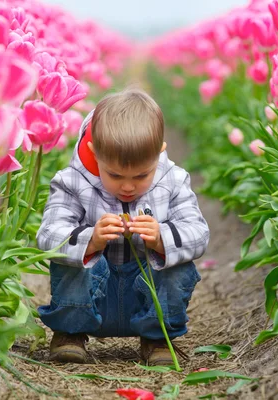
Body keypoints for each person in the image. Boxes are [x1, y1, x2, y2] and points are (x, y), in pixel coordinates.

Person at [36, 88, 210, 365]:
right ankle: (70, 333)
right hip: (93, 296)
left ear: (159, 152)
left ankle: (157, 336)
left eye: (142, 175)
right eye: (115, 175)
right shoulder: (72, 182)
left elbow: (199, 234)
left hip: (144, 294)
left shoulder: (174, 180)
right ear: (95, 153)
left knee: (178, 262)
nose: (128, 187)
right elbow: (47, 235)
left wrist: (161, 239)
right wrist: (90, 240)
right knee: (69, 257)